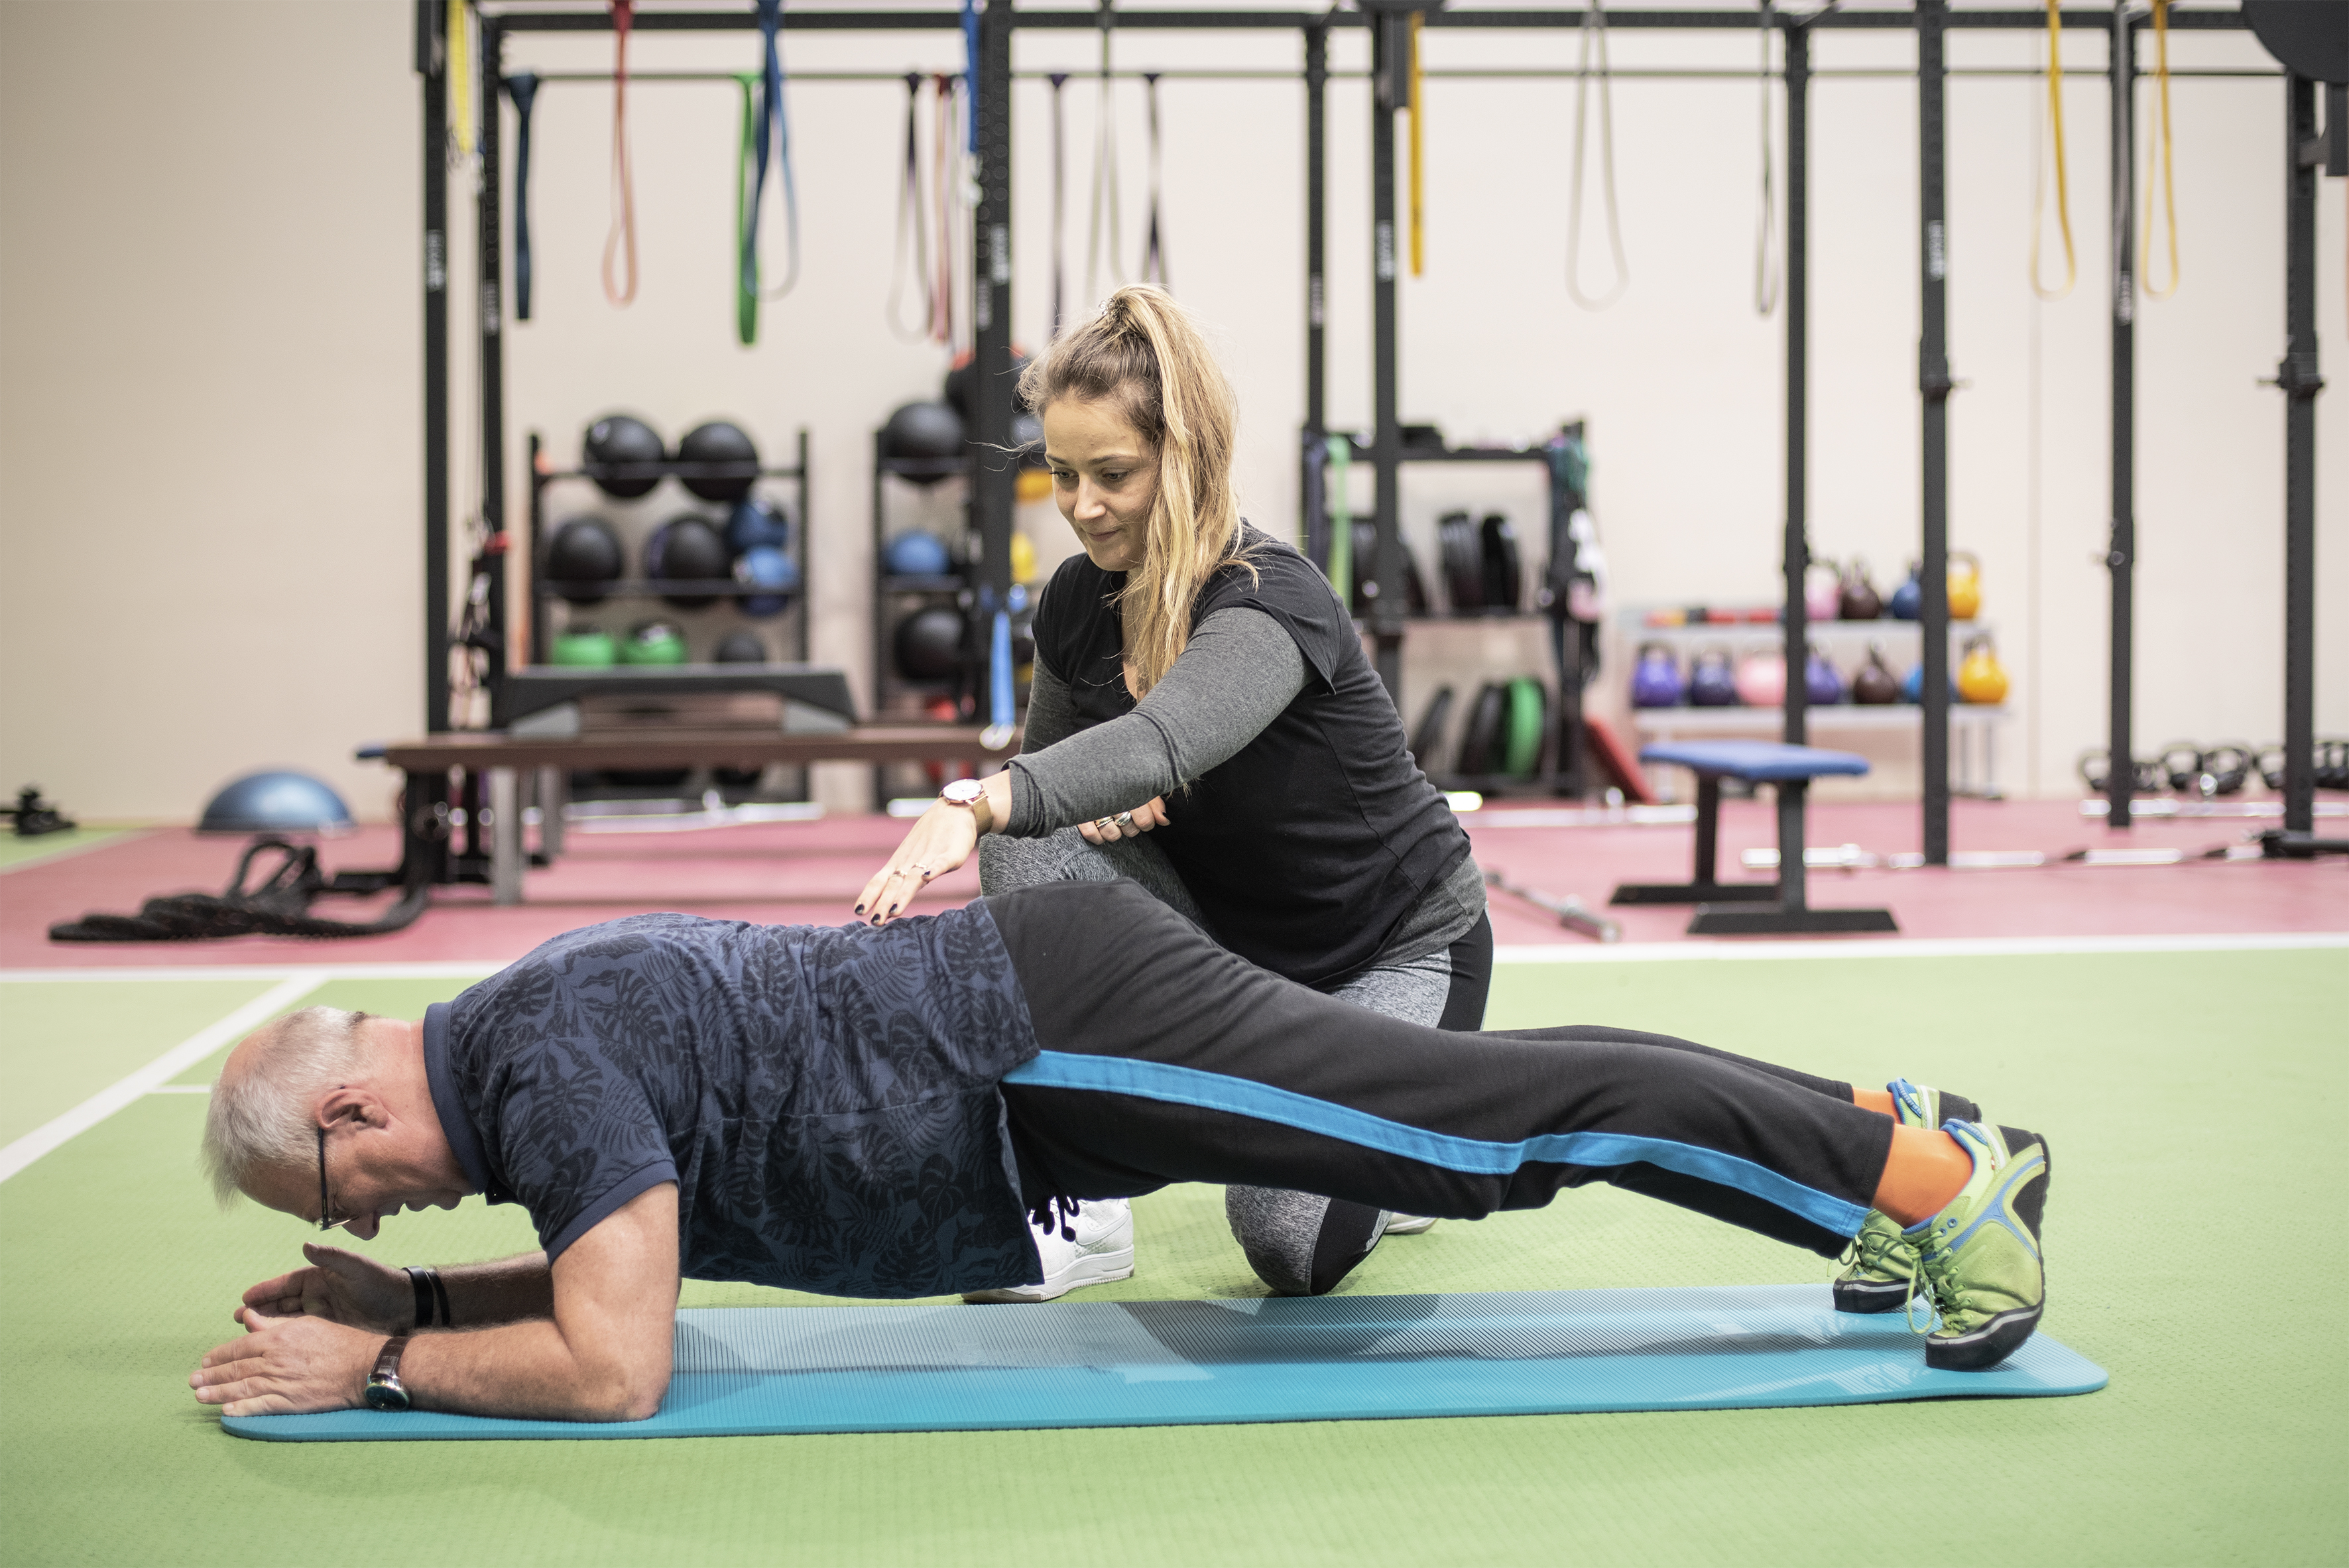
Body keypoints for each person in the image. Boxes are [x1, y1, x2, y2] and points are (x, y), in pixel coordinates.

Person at [190, 884, 2051, 1421]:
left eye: (345, 1194)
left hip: (1041, 1019)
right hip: (1032, 1038)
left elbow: (616, 1361)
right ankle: (1897, 1148)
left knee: (1480, 1135)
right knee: (1480, 1130)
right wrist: (423, 1292)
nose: (382, 1206)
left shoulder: (538, 1051)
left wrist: (385, 1362)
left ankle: (1934, 1181)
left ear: (352, 1109)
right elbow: (624, 1274)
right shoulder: (524, 1050)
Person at [859, 286, 1490, 1301]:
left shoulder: (1269, 598)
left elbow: (1159, 741)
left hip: (1395, 952)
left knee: (1286, 1242)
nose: (1082, 504)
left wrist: (974, 798)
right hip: (1236, 955)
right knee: (1028, 846)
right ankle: (1083, 1200)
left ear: (1184, 458)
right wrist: (1038, 806)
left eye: (1113, 474)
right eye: (1062, 475)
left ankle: (1411, 1141)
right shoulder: (1074, 602)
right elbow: (1057, 804)